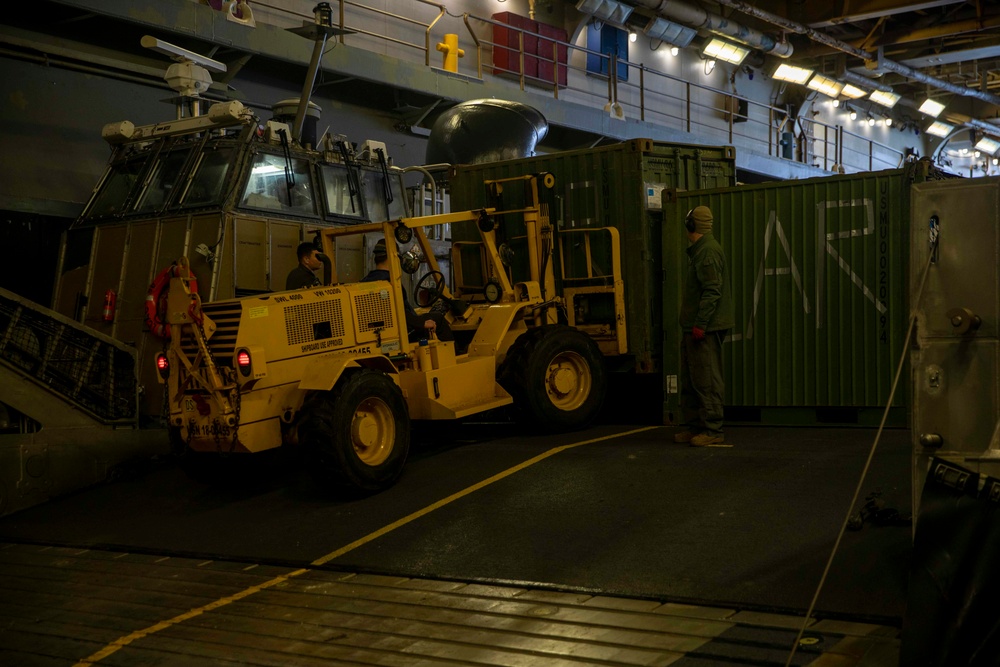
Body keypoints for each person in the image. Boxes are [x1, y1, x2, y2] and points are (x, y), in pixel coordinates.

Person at [675, 205, 734, 447]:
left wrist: (700, 324)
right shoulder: (700, 251)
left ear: (692, 226)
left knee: (707, 380)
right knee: (692, 380)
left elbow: (712, 291)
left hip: (704, 329)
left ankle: (712, 430)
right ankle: (695, 427)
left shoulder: (707, 252)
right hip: (695, 328)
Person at [361, 239, 453, 342]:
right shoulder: (389, 284)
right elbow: (398, 312)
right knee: (438, 319)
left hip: (380, 330)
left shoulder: (365, 282)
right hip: (404, 331)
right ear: (395, 257)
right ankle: (454, 354)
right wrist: (422, 323)